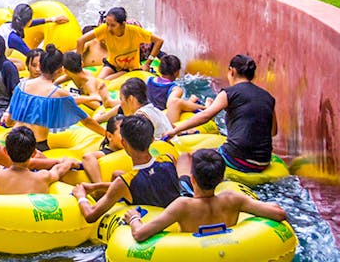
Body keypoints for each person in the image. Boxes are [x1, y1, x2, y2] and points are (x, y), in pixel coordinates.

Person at [124, 148, 287, 242]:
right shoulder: (233, 199)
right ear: (221, 179)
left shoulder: (183, 206)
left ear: (193, 178)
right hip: (230, 253)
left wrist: (134, 218)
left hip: (194, 259)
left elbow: (140, 234)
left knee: (183, 167)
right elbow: (279, 214)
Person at [164, 54, 277, 173]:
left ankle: (186, 188)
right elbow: (273, 132)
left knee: (186, 158)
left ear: (231, 71)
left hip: (237, 158)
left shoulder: (229, 93)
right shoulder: (268, 97)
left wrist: (174, 130)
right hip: (264, 161)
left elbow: (205, 116)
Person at [73, 115, 188, 223]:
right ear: (152, 140)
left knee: (118, 176)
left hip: (153, 222)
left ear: (123, 143)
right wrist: (97, 186)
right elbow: (152, 181)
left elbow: (90, 215)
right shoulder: (169, 159)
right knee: (118, 174)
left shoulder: (124, 183)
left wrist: (81, 196)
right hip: (179, 215)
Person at [7, 43, 106, 150]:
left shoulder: (22, 85)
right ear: (61, 70)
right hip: (35, 145)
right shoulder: (57, 93)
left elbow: (9, 121)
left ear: (41, 66)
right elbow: (87, 121)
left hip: (14, 140)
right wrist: (106, 134)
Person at [76, 7, 163, 80]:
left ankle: (122, 73)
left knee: (106, 80)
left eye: (113, 25)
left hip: (130, 68)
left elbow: (159, 41)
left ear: (123, 24)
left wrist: (148, 63)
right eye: (107, 24)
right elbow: (81, 40)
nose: (109, 28)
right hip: (112, 65)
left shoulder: (134, 31)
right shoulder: (105, 29)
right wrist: (78, 63)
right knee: (99, 81)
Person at [95, 77, 172, 139]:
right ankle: (103, 111)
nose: (121, 103)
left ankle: (102, 112)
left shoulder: (140, 118)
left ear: (130, 99)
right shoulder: (155, 110)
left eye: (121, 99)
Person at [147, 54, 207, 125]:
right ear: (176, 72)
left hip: (150, 114)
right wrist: (201, 107)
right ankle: (205, 108)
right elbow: (173, 105)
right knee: (179, 102)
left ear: (160, 69)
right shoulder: (175, 89)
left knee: (189, 100)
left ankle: (192, 101)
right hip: (164, 119)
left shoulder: (149, 80)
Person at [0, 3, 68, 60]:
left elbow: (29, 24)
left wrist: (52, 19)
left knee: (19, 62)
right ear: (28, 21)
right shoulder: (14, 39)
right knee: (20, 66)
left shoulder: (9, 24)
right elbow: (31, 55)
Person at [81, 114, 124, 182]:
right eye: (122, 133)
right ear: (109, 136)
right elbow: (87, 157)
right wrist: (99, 184)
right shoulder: (106, 153)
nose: (127, 137)